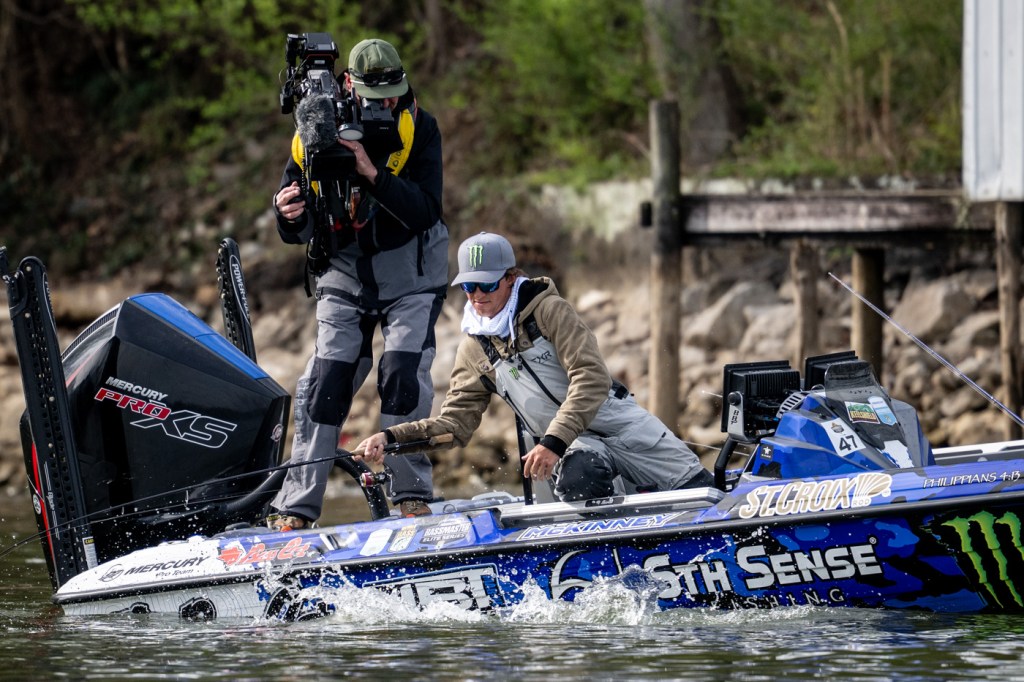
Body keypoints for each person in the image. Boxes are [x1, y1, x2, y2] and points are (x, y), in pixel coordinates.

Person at [355, 232, 714, 503]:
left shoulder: (550, 311)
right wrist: (392, 438)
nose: (477, 295)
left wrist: (552, 442)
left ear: (511, 277)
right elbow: (455, 427)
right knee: (580, 475)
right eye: (468, 286)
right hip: (574, 449)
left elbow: (590, 379)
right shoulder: (473, 350)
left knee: (707, 496)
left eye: (487, 283)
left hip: (626, 429)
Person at [268, 38, 447, 530]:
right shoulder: (315, 127)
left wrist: (371, 173)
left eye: (392, 95)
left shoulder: (421, 127)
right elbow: (298, 227)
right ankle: (296, 507)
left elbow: (425, 211)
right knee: (326, 380)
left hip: (411, 272)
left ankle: (410, 495)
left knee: (402, 373)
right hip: (345, 271)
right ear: (349, 84)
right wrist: (287, 214)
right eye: (374, 97)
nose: (384, 105)